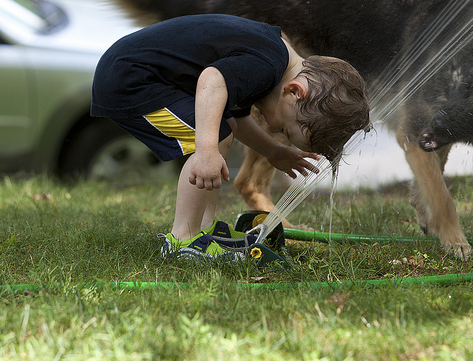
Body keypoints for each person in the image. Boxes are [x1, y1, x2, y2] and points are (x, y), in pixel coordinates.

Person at [91, 14, 370, 261]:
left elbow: (237, 118)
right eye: (284, 129)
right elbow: (212, 80)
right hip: (131, 80)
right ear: (295, 92)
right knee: (214, 137)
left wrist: (273, 151)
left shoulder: (273, 64)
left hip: (137, 74)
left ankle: (204, 230)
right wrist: (205, 150)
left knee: (224, 128)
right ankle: (182, 240)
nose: (274, 130)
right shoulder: (266, 64)